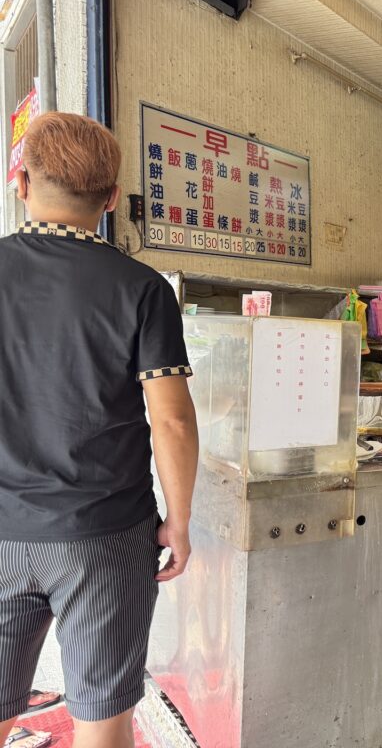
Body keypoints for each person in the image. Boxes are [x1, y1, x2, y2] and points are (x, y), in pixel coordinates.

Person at [0, 113, 198, 748]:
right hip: (105, 535)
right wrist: (180, 520)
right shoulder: (142, 288)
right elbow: (170, 418)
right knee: (102, 720)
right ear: (112, 199)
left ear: (19, 181)